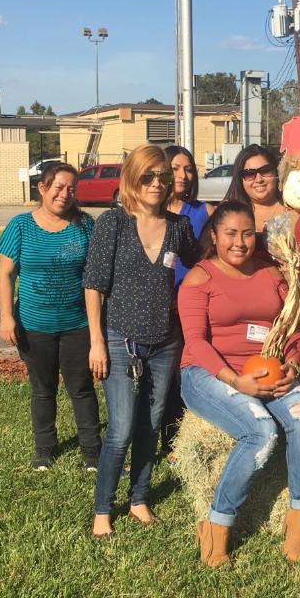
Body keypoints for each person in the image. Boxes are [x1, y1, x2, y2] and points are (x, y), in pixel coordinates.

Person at [178, 201, 300, 566]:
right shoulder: (200, 278)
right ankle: (216, 524)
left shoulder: (272, 274)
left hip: (268, 368)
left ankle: (299, 522)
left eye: (246, 234)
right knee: (261, 431)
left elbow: (291, 327)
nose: (239, 242)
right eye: (230, 234)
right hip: (208, 373)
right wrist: (236, 382)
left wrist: (292, 363)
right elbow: (195, 343)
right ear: (214, 236)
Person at [83, 144, 200, 538]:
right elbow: (94, 285)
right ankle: (103, 508)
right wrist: (96, 341)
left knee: (151, 423)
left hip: (164, 340)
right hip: (118, 337)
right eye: (147, 176)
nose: (156, 183)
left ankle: (138, 499)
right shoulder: (112, 224)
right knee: (121, 427)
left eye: (163, 176)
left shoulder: (179, 226)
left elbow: (201, 267)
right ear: (132, 178)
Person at [0, 162, 101, 472]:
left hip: (76, 325)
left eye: (71, 189)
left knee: (81, 388)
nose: (65, 194)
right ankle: (44, 450)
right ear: (42, 188)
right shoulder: (20, 226)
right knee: (42, 389)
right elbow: (6, 274)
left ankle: (91, 452)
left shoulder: (86, 226)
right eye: (58, 187)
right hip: (33, 325)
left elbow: (94, 278)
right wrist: (5, 316)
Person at [160, 145, 214, 461]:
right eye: (176, 168)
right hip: (154, 305)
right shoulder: (146, 209)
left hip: (187, 305)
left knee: (183, 372)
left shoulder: (202, 212)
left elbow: (207, 259)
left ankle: (175, 441)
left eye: (188, 169)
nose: (183, 175)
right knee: (157, 375)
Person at [223, 144, 285, 254]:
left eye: (265, 170)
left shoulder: (295, 210)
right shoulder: (228, 212)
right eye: (249, 173)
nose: (259, 179)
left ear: (276, 172)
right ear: (240, 179)